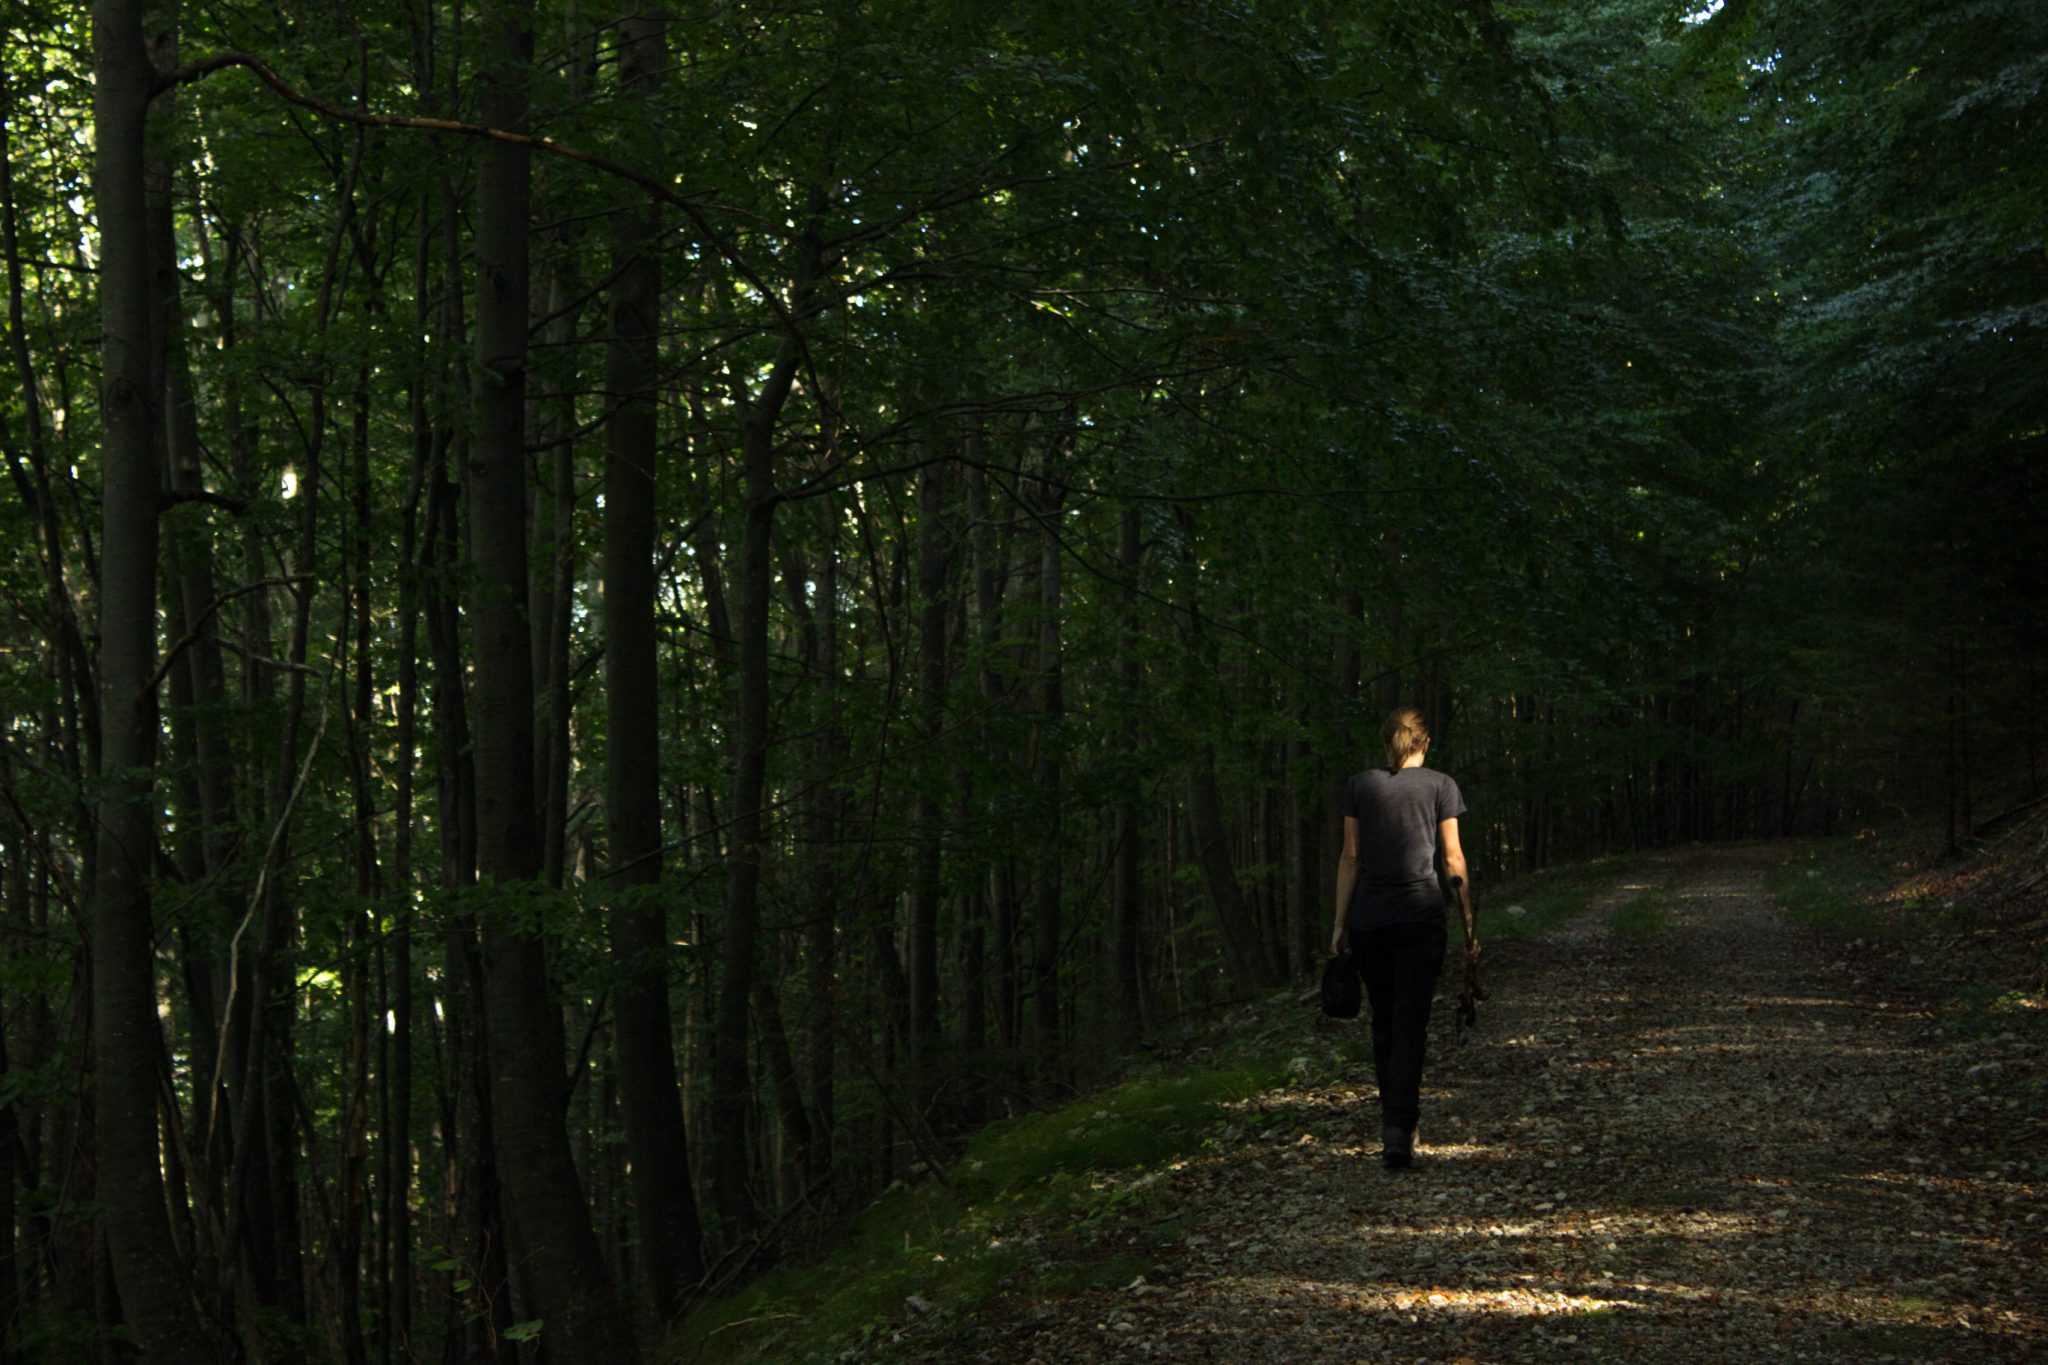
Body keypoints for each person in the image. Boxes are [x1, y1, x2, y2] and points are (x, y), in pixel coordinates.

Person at [1329, 706, 1479, 1169]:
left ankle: (1393, 1123)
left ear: (1386, 743)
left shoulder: (1360, 786)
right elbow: (1452, 860)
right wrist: (1470, 925)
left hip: (1370, 921)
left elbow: (1350, 858)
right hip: (1421, 919)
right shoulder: (1441, 786)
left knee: (1383, 1022)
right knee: (1410, 1024)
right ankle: (1400, 1126)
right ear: (1425, 743)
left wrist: (1339, 923)